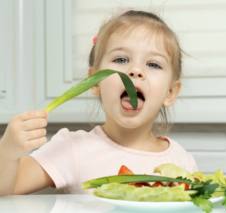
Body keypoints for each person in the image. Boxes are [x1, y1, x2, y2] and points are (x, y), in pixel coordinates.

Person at [0, 10, 198, 195]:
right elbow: (7, 189)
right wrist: (8, 150)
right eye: (121, 60)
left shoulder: (182, 160)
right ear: (94, 82)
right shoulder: (72, 148)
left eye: (153, 64)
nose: (135, 71)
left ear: (170, 92)